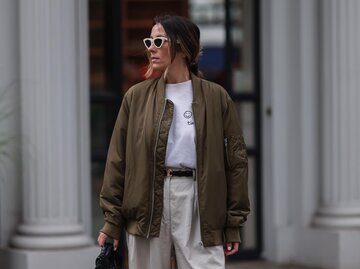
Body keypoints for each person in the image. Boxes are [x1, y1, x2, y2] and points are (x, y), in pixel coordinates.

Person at [97, 14, 250, 269]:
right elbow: (117, 163)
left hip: (199, 201)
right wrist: (112, 222)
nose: (151, 49)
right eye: (150, 42)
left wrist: (233, 222)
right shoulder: (136, 98)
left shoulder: (216, 98)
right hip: (147, 203)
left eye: (159, 41)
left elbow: (236, 161)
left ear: (183, 47)